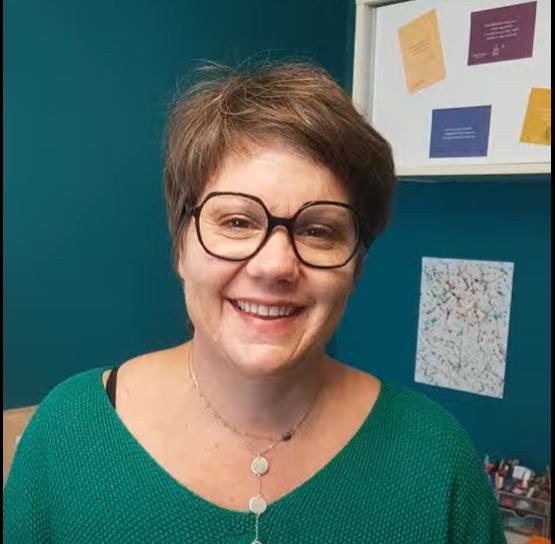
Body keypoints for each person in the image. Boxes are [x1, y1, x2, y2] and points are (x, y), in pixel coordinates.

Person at [3, 61, 506, 543]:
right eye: (238, 221)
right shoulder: (66, 436)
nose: (275, 266)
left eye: (318, 230)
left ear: (356, 264)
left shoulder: (438, 463)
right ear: (180, 246)